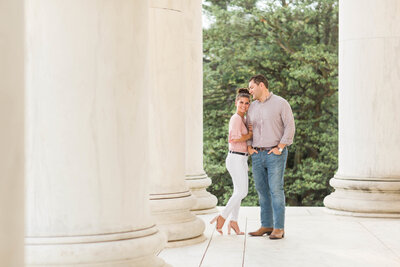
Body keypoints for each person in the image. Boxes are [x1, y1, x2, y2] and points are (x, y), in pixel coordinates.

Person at [246, 74, 295, 240]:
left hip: (275, 154)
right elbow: (248, 129)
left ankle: (279, 228)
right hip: (257, 155)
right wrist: (249, 147)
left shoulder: (281, 103)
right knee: (262, 191)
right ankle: (266, 225)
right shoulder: (251, 107)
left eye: (251, 87)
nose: (250, 91)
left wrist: (280, 147)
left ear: (261, 85)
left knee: (276, 190)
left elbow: (290, 126)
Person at [210, 88, 253, 235]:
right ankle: (222, 217)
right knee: (242, 191)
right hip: (235, 157)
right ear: (236, 103)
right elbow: (234, 138)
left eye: (247, 103)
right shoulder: (235, 118)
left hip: (241, 158)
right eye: (241, 102)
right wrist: (249, 135)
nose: (244, 105)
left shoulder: (243, 119)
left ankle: (233, 221)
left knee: (238, 192)